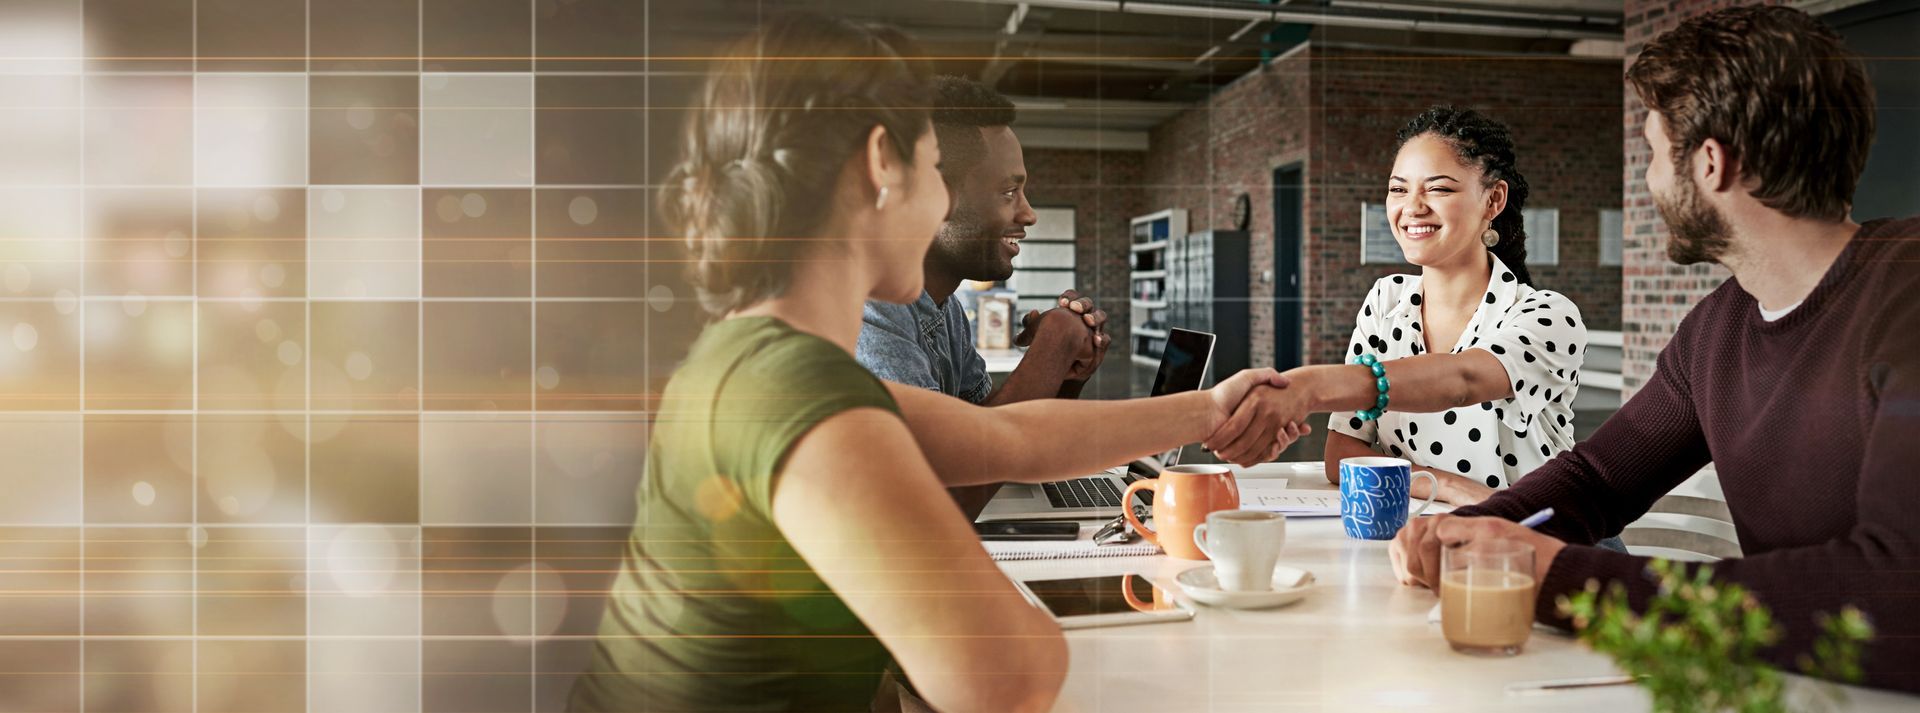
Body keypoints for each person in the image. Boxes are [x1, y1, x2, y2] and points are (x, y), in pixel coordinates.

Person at [569, 16, 1304, 712]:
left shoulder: (755, 354)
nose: (938, 204)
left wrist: (1211, 409)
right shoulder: (800, 394)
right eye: (933, 170)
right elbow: (1011, 679)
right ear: (883, 163)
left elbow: (1015, 440)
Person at [1389, 5, 1920, 692]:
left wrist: (1555, 574)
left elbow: (1898, 592)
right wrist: (1473, 529)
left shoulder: (1907, 295)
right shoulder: (1718, 326)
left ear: (1709, 163)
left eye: (1650, 152)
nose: (1647, 181)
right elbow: (1599, 478)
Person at [1220, 107, 1594, 513]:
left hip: (1543, 539)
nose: (1412, 207)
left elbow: (1462, 379)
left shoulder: (1549, 316)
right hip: (1429, 529)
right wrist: (1449, 488)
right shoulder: (1386, 301)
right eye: (1398, 189)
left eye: (1439, 189)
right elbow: (1343, 451)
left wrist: (1310, 387)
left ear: (1493, 200)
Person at [857, 75, 1107, 517]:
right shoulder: (870, 314)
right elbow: (936, 507)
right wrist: (1050, 348)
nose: (1028, 214)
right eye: (1008, 192)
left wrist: (1065, 374)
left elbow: (993, 444)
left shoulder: (946, 308)